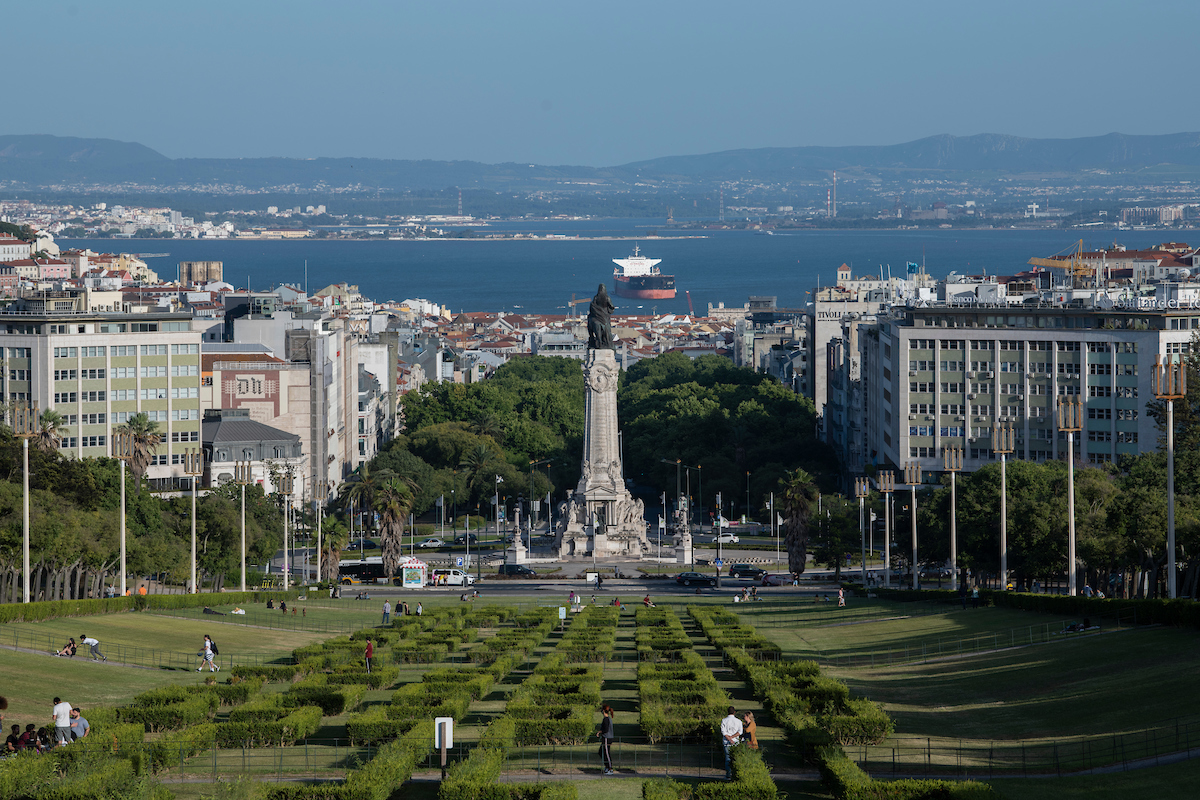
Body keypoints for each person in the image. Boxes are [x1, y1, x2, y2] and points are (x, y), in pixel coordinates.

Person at [719, 706, 743, 780]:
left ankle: (728, 774)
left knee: (728, 758)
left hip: (727, 742)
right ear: (734, 712)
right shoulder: (738, 721)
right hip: (735, 741)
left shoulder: (724, 720)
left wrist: (729, 738)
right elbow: (740, 732)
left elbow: (723, 731)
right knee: (735, 758)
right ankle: (735, 773)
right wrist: (733, 737)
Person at [596, 704, 615, 775]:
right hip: (606, 738)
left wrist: (599, 732)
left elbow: (606, 729)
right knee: (601, 752)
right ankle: (607, 766)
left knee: (606, 753)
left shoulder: (606, 719)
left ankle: (610, 768)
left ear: (603, 711)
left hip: (607, 738)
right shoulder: (607, 719)